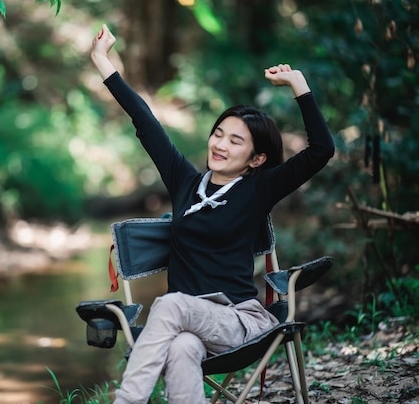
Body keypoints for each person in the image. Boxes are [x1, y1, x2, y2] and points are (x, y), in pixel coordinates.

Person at [90, 24, 335, 404]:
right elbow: (145, 122)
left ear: (256, 159)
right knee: (182, 348)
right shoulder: (185, 183)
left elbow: (321, 150)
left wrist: (299, 85)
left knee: (170, 303)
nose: (220, 144)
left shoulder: (258, 190)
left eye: (235, 141)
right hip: (188, 325)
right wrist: (103, 61)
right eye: (218, 133)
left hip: (239, 322)